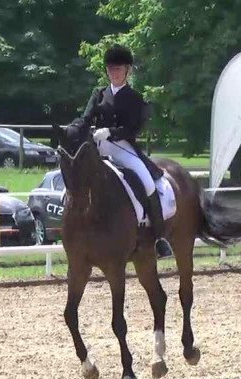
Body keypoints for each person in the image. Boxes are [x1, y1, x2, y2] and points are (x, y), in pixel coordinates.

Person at [76, 44, 171, 255]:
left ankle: (159, 237)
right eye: (110, 69)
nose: (113, 73)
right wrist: (72, 130)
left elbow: (133, 128)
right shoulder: (98, 93)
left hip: (122, 146)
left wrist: (111, 132)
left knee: (147, 183)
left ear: (127, 71)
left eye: (118, 69)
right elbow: (85, 119)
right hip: (97, 147)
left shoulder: (134, 97)